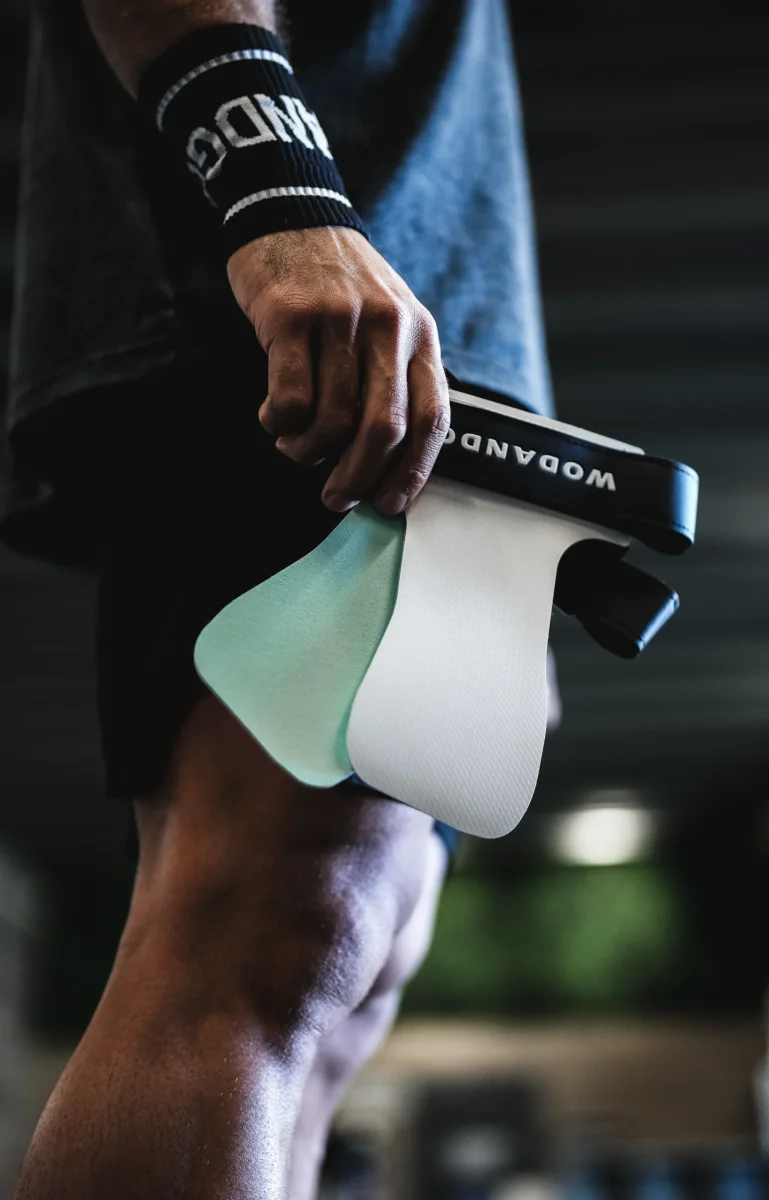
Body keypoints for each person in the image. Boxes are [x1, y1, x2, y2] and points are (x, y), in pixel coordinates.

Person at [1, 0, 553, 1195]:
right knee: (285, 925)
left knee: (356, 966)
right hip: (318, 322)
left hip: (448, 378)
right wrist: (279, 197)